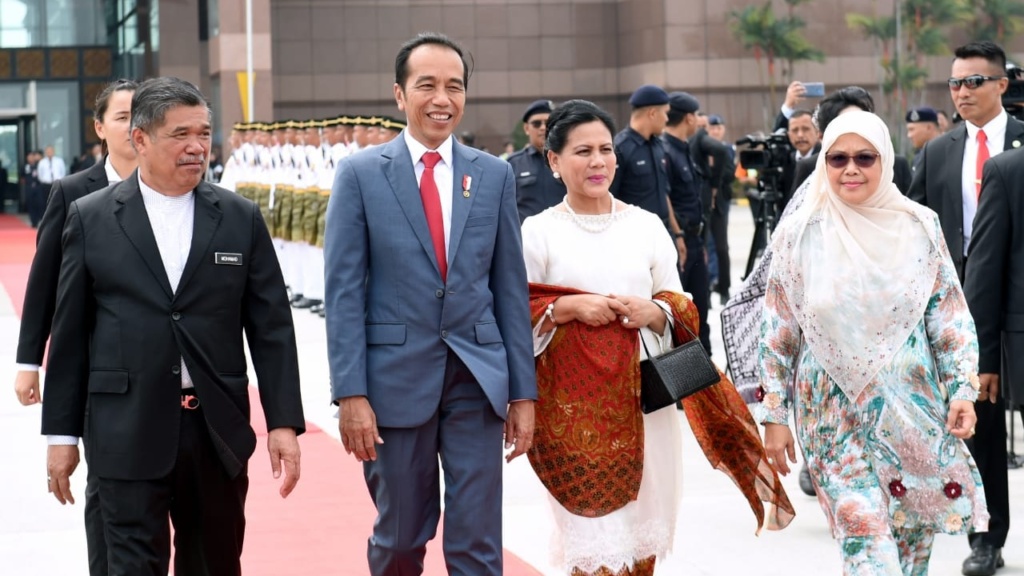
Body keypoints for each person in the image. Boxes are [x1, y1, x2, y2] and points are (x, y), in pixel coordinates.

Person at [41, 76, 304, 576]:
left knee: (214, 564)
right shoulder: (91, 218)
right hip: (125, 429)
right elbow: (71, 334)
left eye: (204, 133)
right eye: (180, 134)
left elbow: (272, 328)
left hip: (215, 432)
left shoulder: (239, 217)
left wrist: (283, 423)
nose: (196, 147)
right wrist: (61, 436)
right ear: (140, 139)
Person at [524, 99, 793, 576]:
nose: (598, 162)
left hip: (647, 405)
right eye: (582, 151)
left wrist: (656, 311)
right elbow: (517, 311)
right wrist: (567, 307)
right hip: (571, 412)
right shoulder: (538, 233)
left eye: (605, 149)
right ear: (554, 161)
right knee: (592, 543)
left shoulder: (645, 226)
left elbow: (683, 303)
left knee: (640, 538)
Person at [324, 33, 536, 575]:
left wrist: (522, 392)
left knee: (476, 542)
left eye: (455, 87)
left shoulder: (493, 175)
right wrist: (351, 392)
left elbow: (510, 288)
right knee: (400, 538)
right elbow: (343, 291)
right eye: (428, 86)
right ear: (400, 95)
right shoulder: (361, 175)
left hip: (476, 378)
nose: (443, 98)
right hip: (392, 385)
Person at [758, 110, 988, 574]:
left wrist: (963, 389)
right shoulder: (800, 234)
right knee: (865, 543)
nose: (851, 169)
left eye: (865, 157)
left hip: (913, 411)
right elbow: (777, 331)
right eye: (837, 158)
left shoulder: (919, 226)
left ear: (885, 161)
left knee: (910, 548)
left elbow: (948, 316)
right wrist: (774, 415)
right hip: (830, 416)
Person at [907, 41, 1024, 576]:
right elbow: (914, 232)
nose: (962, 92)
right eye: (955, 83)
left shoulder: (1020, 147)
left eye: (974, 81)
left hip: (1017, 302)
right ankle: (986, 536)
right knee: (979, 426)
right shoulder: (938, 151)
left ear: (1003, 84)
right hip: (960, 313)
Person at [14, 78, 138, 576]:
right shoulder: (72, 192)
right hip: (92, 362)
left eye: (140, 114)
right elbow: (45, 285)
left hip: (154, 367)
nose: (133, 126)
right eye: (122, 116)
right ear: (99, 128)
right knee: (105, 488)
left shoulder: (175, 189)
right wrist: (29, 363)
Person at [662, 92, 711, 354]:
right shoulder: (666, 150)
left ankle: (707, 376)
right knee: (683, 315)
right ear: (690, 117)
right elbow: (667, 197)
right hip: (679, 242)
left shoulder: (683, 148)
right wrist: (679, 236)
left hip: (695, 239)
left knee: (701, 310)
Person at [508, 98, 562, 221]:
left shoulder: (568, 160)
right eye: (537, 123)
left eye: (548, 123)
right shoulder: (512, 164)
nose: (543, 128)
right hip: (526, 237)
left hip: (565, 236)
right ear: (526, 128)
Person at [906, 107, 942, 172]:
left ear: (928, 128)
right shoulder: (918, 157)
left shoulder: (947, 153)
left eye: (912, 129)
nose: (909, 135)